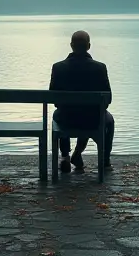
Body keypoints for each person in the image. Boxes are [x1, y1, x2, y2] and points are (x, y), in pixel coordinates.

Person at [49, 29, 114, 173]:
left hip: (66, 120)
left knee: (58, 114)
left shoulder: (58, 68)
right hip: (93, 120)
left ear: (71, 45)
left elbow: (53, 99)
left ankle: (65, 156)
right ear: (89, 46)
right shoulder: (100, 68)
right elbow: (108, 98)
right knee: (108, 119)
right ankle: (104, 160)